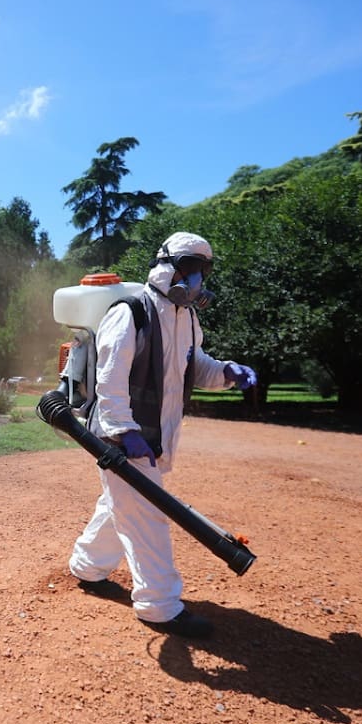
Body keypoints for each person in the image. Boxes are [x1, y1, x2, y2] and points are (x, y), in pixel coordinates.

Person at [68, 231, 257, 638]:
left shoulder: (186, 317)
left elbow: (195, 365)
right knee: (147, 514)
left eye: (202, 272)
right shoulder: (131, 311)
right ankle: (160, 605)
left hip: (154, 437)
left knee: (123, 505)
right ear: (168, 266)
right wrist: (124, 430)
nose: (197, 281)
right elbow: (110, 379)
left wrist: (226, 372)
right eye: (191, 270)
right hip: (122, 438)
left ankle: (86, 566)